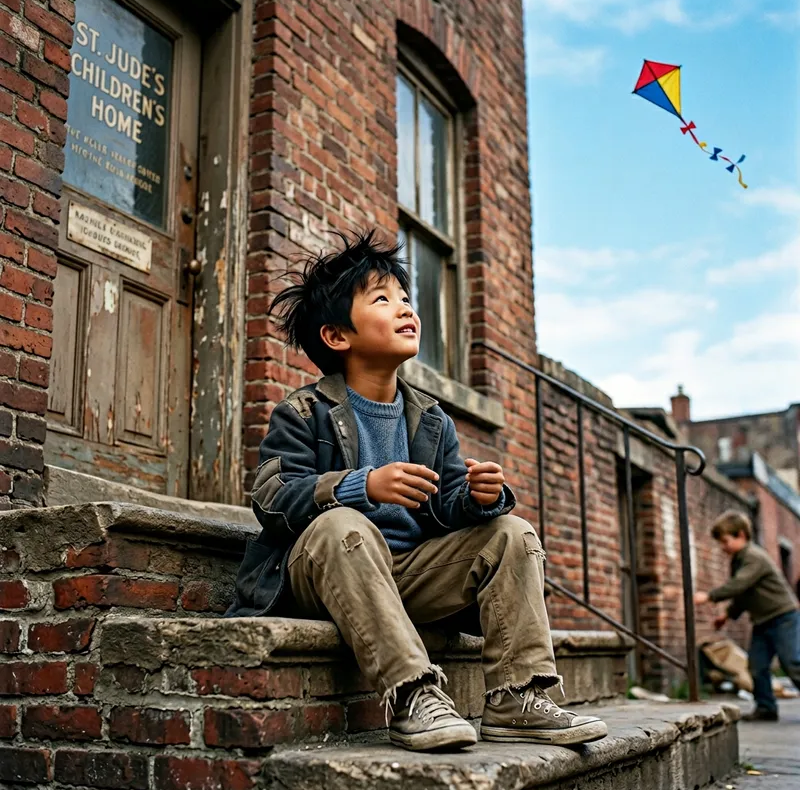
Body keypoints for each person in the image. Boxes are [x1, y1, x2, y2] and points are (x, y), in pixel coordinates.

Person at [227, 231, 608, 751]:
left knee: (513, 532)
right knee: (344, 524)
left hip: (408, 577)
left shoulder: (429, 418)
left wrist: (477, 498)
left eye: (406, 298)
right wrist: (362, 485)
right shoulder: (302, 412)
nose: (405, 308)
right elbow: (272, 499)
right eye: (382, 299)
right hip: (326, 572)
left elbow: (444, 509)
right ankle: (412, 693)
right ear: (338, 336)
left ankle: (516, 698)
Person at [694, 510, 800, 721]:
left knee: (792, 663)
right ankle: (766, 707)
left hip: (782, 616)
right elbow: (743, 595)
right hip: (762, 620)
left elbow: (739, 584)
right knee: (756, 665)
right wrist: (728, 615)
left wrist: (710, 596)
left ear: (741, 535)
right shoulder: (739, 560)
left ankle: (766, 705)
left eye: (726, 541)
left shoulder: (753, 557)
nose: (723, 547)